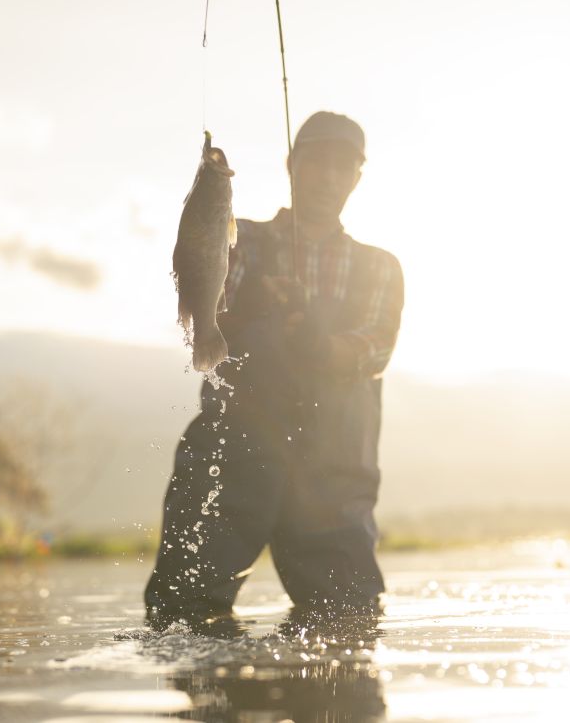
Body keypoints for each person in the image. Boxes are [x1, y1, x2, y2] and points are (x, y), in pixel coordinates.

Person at [146, 111, 404, 629]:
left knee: (347, 625)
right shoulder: (237, 240)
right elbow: (204, 319)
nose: (330, 178)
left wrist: (314, 339)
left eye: (342, 167)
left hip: (331, 477)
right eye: (317, 163)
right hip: (230, 462)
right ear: (292, 165)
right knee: (181, 618)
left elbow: (374, 351)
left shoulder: (379, 267)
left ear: (356, 178)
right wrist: (253, 311)